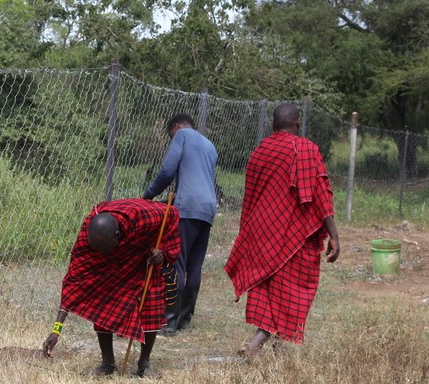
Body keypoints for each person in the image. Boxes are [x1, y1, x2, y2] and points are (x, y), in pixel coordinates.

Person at [224, 103, 340, 357]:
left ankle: (274, 349)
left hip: (261, 233)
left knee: (267, 288)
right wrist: (333, 234)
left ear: (272, 125)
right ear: (298, 122)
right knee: (294, 290)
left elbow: (250, 199)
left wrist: (246, 235)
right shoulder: (306, 149)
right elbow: (321, 194)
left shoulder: (259, 152)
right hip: (294, 236)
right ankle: (257, 344)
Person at [42, 198, 181, 377]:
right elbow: (73, 282)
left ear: (117, 234)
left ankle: (144, 364)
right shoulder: (87, 235)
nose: (104, 255)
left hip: (143, 256)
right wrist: (56, 330)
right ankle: (107, 364)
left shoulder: (145, 216)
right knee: (101, 297)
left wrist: (161, 251)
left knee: (151, 298)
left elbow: (172, 216)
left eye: (107, 250)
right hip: (117, 260)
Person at [143, 114, 218, 334]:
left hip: (187, 208)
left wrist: (147, 196)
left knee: (177, 261)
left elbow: (167, 171)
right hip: (208, 208)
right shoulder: (209, 145)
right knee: (194, 264)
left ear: (175, 127)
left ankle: (169, 321)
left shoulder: (181, 135)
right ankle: (185, 319)